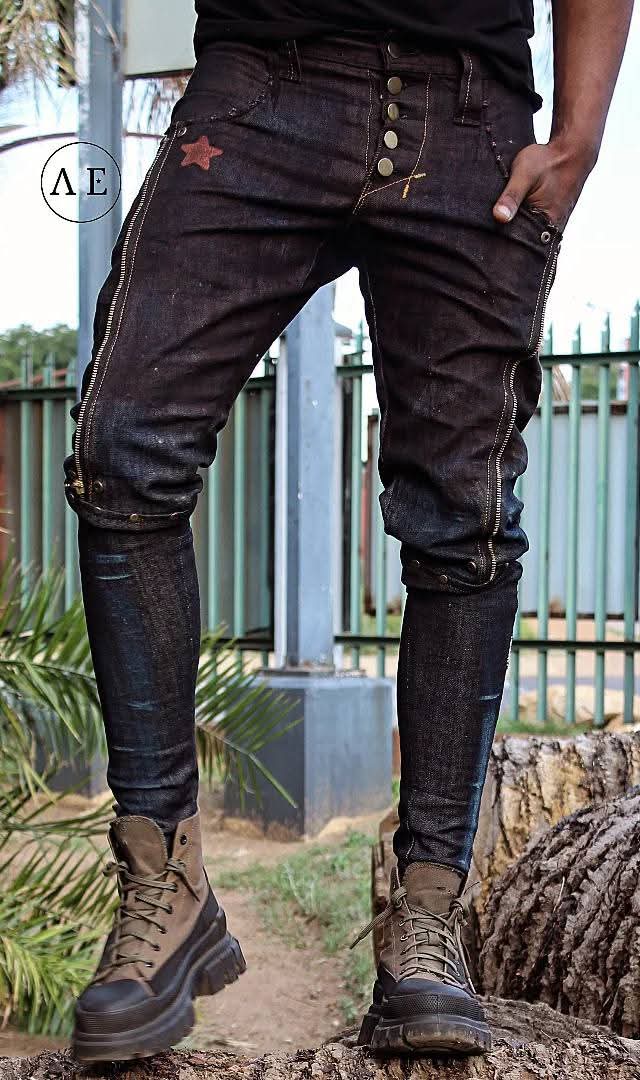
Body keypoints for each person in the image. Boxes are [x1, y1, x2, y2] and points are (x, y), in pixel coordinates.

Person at [65, 0, 633, 1063]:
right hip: (260, 84)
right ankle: (164, 882)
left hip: (468, 109)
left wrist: (581, 134)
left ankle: (426, 916)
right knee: (123, 448)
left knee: (463, 518)